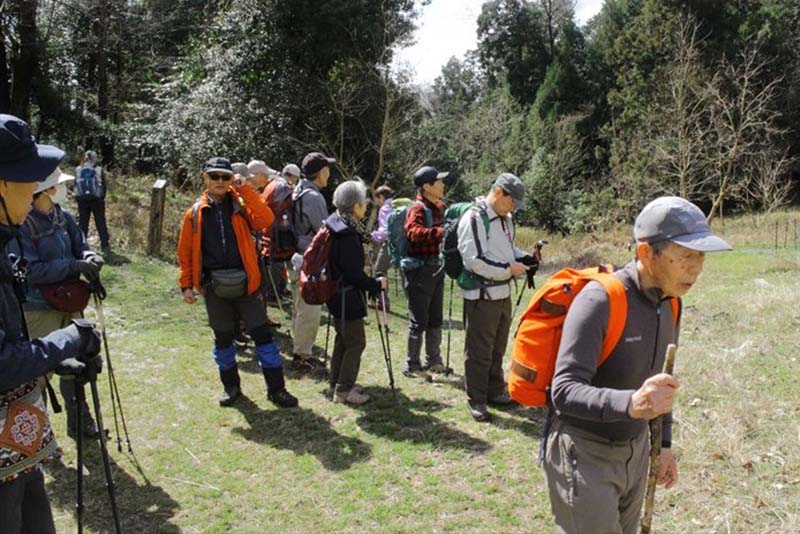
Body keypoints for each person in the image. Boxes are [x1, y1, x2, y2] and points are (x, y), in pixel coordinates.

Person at [543, 196, 732, 533]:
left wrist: (665, 446)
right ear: (646, 253)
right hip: (585, 452)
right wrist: (631, 403)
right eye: (685, 256)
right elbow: (563, 390)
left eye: (700, 256)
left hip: (637, 450)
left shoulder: (671, 302)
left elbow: (661, 385)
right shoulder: (600, 300)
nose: (696, 268)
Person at [0, 114, 102, 533]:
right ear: (3, 184)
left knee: (34, 516)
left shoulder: (10, 232)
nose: (45, 190)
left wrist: (54, 356)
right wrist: (69, 340)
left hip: (15, 441)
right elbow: (4, 363)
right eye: (33, 182)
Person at [177, 157, 297, 408]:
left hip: (247, 285)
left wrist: (244, 189)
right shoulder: (195, 214)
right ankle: (231, 389)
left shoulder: (241, 204)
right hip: (213, 287)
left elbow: (265, 219)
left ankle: (277, 390)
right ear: (206, 179)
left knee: (263, 337)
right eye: (215, 176)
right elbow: (186, 252)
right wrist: (186, 285)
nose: (220, 181)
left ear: (232, 179)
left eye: (225, 177)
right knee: (223, 340)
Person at [17, 167, 106, 437]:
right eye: (59, 185)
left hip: (70, 302)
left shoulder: (64, 217)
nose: (64, 189)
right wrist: (72, 264)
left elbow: (81, 244)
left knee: (77, 364)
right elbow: (30, 270)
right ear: (46, 190)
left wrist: (89, 257)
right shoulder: (22, 223)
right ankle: (38, 436)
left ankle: (80, 423)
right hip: (38, 307)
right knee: (38, 375)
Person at [457, 173, 539, 421]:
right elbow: (473, 260)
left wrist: (526, 258)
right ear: (499, 192)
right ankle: (477, 399)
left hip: (502, 292)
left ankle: (494, 391)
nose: (513, 207)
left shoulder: (506, 219)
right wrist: (507, 269)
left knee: (497, 348)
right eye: (512, 201)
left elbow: (507, 249)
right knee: (479, 350)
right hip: (482, 294)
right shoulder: (474, 218)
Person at [324, 180, 387, 404]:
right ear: (355, 206)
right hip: (346, 296)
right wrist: (375, 284)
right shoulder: (348, 234)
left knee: (343, 339)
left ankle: (336, 382)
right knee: (355, 342)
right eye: (363, 203)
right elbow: (353, 275)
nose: (365, 207)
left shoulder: (334, 224)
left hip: (334, 294)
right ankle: (344, 390)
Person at [288, 152, 335, 370]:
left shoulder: (298, 190)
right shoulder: (314, 197)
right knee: (310, 310)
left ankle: (300, 349)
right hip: (309, 260)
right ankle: (302, 356)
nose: (329, 174)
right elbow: (323, 231)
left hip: (295, 256)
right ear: (322, 171)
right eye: (327, 169)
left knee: (299, 306)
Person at [402, 166, 448, 377]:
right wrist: (440, 232)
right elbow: (413, 232)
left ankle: (434, 361)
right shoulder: (417, 208)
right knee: (419, 320)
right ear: (427, 187)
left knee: (435, 318)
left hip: (436, 267)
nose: (442, 184)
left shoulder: (439, 207)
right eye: (438, 181)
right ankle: (412, 364)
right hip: (420, 270)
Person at [75, 149, 111, 257]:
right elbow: (104, 186)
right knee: (100, 223)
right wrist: (101, 198)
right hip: (97, 201)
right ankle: (105, 246)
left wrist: (78, 198)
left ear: (85, 158)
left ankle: (82, 247)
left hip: (82, 200)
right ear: (95, 159)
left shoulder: (78, 170)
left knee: (83, 224)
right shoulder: (99, 170)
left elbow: (75, 185)